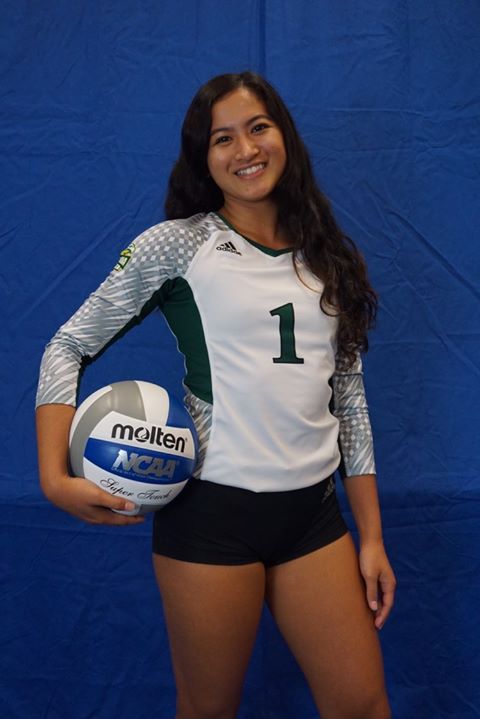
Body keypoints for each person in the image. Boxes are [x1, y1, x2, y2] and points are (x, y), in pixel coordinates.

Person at [36, 71, 396, 719]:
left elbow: (348, 398)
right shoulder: (179, 244)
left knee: (363, 705)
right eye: (222, 138)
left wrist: (370, 536)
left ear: (285, 135)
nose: (245, 149)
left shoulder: (327, 255)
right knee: (207, 711)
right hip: (211, 517)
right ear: (203, 158)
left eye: (258, 127)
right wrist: (53, 477)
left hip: (313, 518)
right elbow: (68, 345)